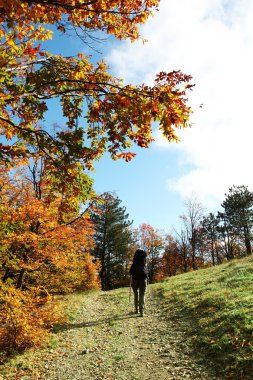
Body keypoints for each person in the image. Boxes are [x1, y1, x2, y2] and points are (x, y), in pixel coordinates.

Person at [129, 249, 148, 317]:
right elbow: (146, 270)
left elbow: (130, 271)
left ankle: (136, 309)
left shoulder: (135, 261)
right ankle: (141, 311)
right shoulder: (144, 260)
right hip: (143, 279)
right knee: (142, 295)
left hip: (134, 279)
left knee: (136, 294)